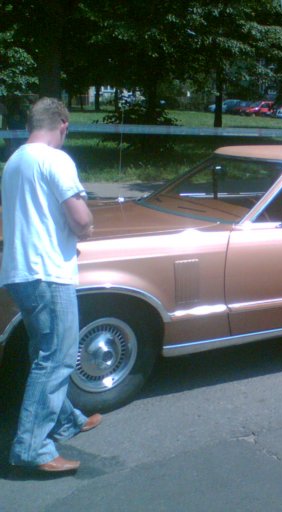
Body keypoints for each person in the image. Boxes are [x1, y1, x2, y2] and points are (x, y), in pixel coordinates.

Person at [0, 97, 102, 474]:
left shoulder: (15, 161)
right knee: (57, 357)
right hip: (48, 272)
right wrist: (85, 229)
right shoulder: (55, 159)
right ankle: (33, 448)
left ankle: (65, 420)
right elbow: (80, 219)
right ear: (62, 124)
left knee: (43, 351)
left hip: (20, 271)